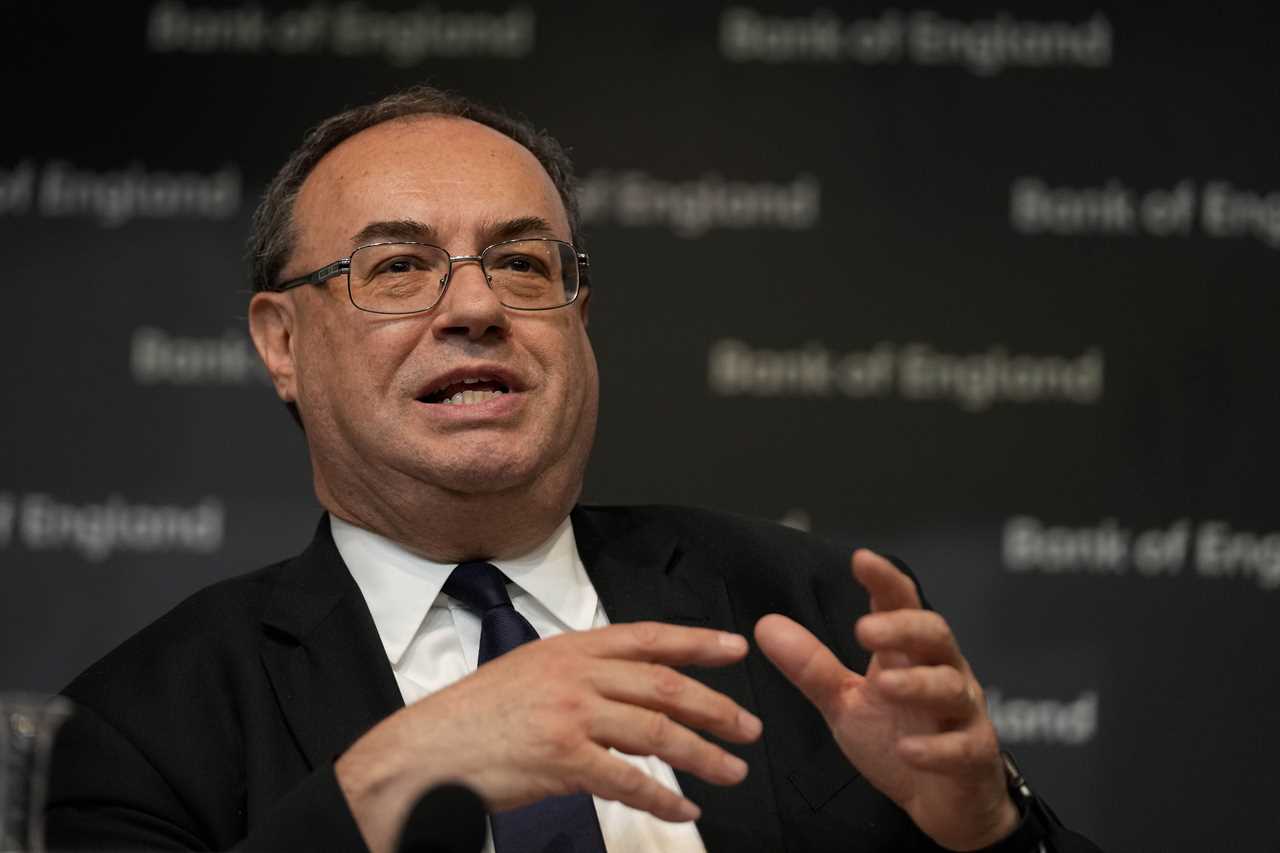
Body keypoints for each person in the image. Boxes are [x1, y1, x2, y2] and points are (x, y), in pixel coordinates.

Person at [47, 85, 1101, 853]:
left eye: (520, 262)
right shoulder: (141, 727)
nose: (474, 308)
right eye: (399, 267)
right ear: (280, 341)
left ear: (578, 318)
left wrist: (987, 834)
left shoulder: (807, 615)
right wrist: (391, 780)